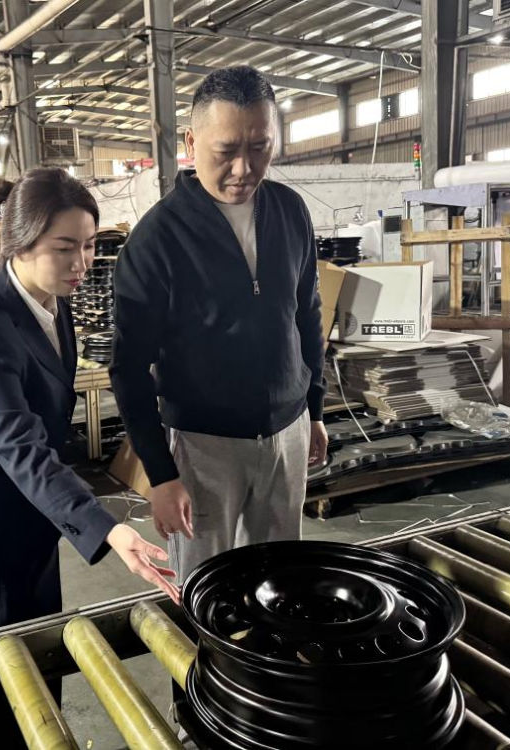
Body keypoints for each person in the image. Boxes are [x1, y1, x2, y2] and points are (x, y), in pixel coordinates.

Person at [0, 167, 177, 644]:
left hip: (36, 516)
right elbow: (22, 449)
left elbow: (12, 395)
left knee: (42, 656)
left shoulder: (51, 300)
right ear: (20, 244)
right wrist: (107, 529)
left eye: (89, 245)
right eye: (64, 248)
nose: (81, 263)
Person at [110, 65, 329, 583]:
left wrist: (315, 410)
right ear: (191, 143)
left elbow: (307, 314)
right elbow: (129, 369)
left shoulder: (290, 212)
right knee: (206, 587)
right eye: (226, 150)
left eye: (260, 148)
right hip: (204, 446)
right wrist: (161, 475)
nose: (243, 168)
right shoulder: (157, 240)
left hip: (289, 432)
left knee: (281, 580)